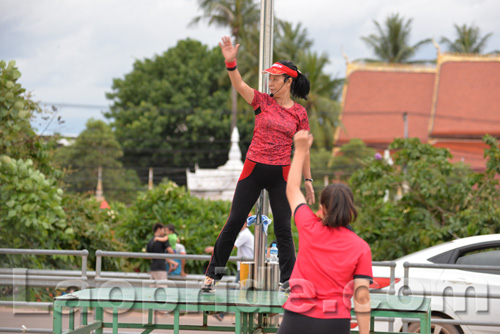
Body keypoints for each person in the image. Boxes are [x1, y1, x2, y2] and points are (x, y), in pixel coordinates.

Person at [201, 36, 315, 293]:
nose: (270, 82)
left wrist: (308, 181)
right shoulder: (261, 101)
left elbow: (303, 150)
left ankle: (288, 280)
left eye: (275, 78)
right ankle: (212, 275)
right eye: (269, 78)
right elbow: (239, 83)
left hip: (281, 175)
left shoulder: (299, 113)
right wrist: (231, 63)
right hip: (253, 170)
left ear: (288, 81)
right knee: (234, 222)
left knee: (284, 228)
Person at [279, 130, 372, 334]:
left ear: (323, 207)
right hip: (334, 321)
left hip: (296, 318)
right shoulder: (361, 248)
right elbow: (362, 297)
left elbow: (292, 189)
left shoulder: (308, 225)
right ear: (351, 209)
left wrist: (301, 150)